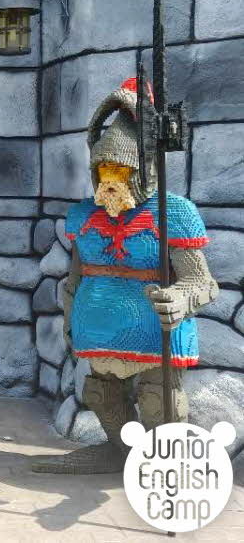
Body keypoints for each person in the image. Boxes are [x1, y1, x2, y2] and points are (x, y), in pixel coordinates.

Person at [32, 77, 218, 474]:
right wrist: (70, 319)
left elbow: (202, 283)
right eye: (103, 169)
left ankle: (166, 465)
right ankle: (122, 453)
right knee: (100, 394)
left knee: (159, 402)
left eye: (119, 169)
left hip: (153, 330)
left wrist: (179, 298)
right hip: (99, 330)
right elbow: (77, 277)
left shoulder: (174, 212)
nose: (110, 179)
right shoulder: (84, 215)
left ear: (142, 169)